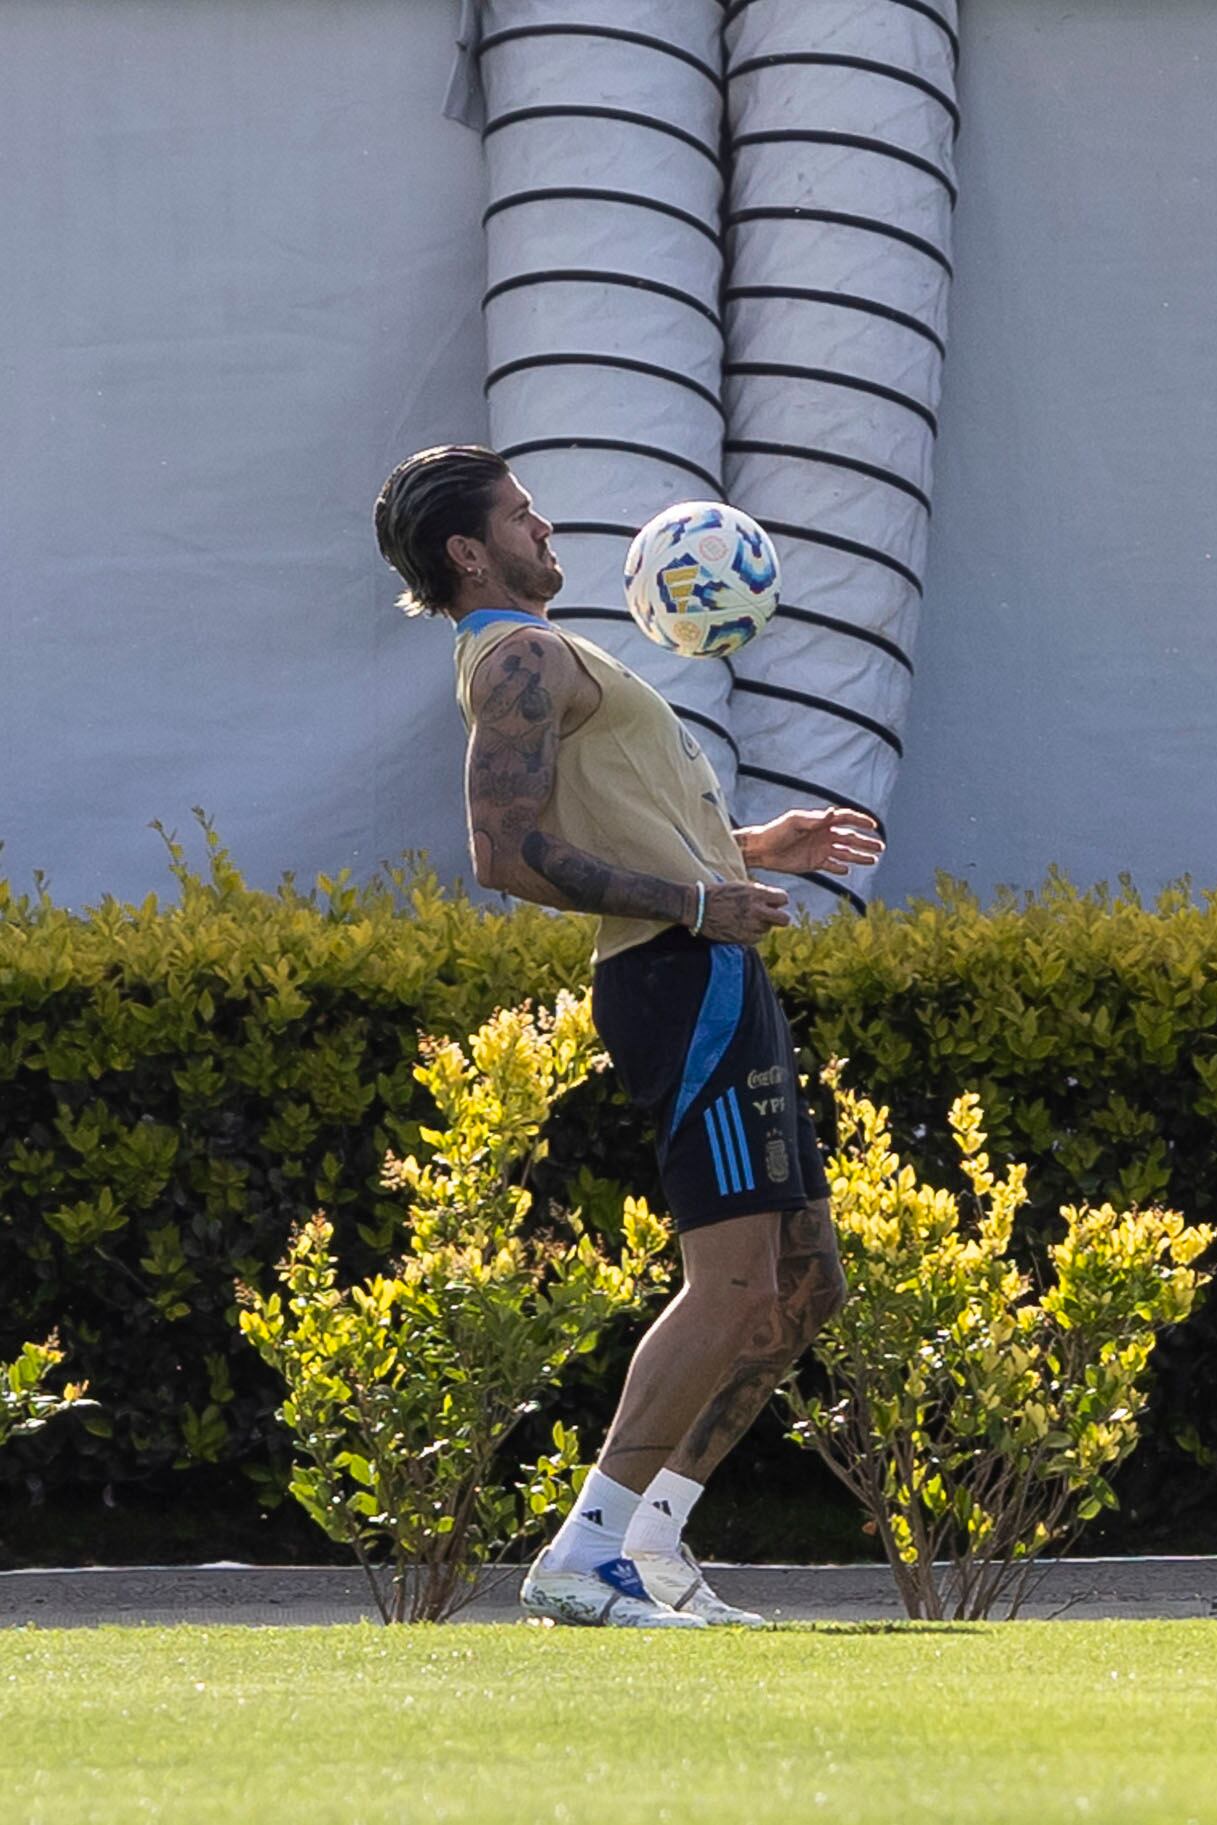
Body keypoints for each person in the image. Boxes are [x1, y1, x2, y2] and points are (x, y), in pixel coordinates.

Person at [373, 446, 883, 1628]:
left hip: (712, 967)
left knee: (802, 1284)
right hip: (677, 980)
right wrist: (698, 902)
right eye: (520, 515)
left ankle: (650, 1544)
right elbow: (503, 852)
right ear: (467, 551)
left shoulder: (551, 652)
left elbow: (623, 830)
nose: (544, 526)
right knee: (734, 1281)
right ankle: (584, 1552)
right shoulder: (518, 660)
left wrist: (749, 849)